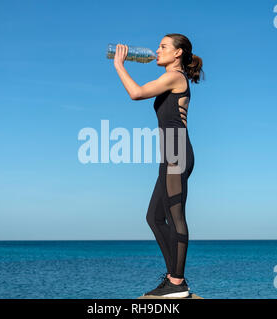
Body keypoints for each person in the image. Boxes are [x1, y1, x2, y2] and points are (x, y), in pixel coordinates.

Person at [114, 33, 204, 297]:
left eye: (163, 46)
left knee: (176, 216)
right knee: (154, 217)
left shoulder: (175, 76)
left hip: (177, 151)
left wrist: (120, 65)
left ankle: (177, 283)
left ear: (177, 53)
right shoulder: (171, 78)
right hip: (171, 152)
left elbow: (136, 93)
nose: (157, 50)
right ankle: (173, 277)